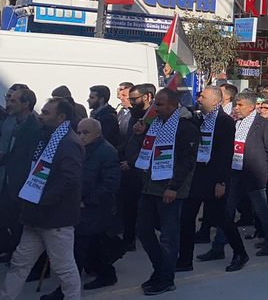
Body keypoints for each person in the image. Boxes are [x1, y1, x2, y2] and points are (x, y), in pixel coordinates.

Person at [0, 98, 83, 300]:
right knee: (20, 262)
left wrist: (43, 200)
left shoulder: (69, 143)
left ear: (61, 117)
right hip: (35, 216)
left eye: (46, 112)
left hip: (56, 219)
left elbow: (69, 180)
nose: (40, 115)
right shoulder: (47, 138)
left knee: (64, 268)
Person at [42, 118, 121, 299]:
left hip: (94, 208)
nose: (81, 136)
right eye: (79, 132)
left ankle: (66, 290)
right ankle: (106, 273)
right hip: (77, 205)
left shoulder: (107, 152)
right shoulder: (79, 149)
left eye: (86, 132)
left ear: (97, 133)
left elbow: (110, 184)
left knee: (78, 248)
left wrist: (89, 201)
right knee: (90, 247)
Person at [134, 89, 199, 295]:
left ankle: (166, 278)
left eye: (160, 105)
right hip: (150, 185)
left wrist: (173, 187)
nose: (155, 108)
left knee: (168, 237)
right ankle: (159, 269)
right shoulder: (157, 125)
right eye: (155, 104)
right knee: (143, 229)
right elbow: (147, 151)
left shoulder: (186, 128)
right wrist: (140, 134)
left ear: (172, 106)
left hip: (169, 189)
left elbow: (187, 161)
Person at [200, 93, 268, 262]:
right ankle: (218, 246)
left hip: (253, 175)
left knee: (261, 210)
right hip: (234, 173)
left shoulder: (264, 125)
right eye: (236, 105)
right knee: (226, 212)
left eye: (240, 105)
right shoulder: (235, 123)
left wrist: (267, 172)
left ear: (251, 107)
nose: (236, 108)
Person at [177, 88, 246, 274]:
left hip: (215, 177)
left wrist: (221, 181)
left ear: (215, 101)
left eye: (203, 97)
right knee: (187, 218)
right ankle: (184, 259)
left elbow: (225, 153)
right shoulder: (201, 119)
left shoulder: (224, 121)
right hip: (198, 175)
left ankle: (240, 253)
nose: (199, 99)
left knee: (221, 218)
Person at [0, 88, 41, 257]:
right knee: (6, 218)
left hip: (22, 183)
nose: (8, 104)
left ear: (26, 104)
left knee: (20, 223)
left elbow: (31, 158)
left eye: (13, 101)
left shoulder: (35, 127)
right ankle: (10, 249)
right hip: (7, 180)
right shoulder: (11, 121)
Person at [118, 84, 154, 252]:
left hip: (142, 170)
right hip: (129, 167)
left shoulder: (153, 116)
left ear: (146, 97)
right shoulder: (133, 115)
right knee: (128, 206)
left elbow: (150, 144)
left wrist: (132, 162)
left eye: (134, 99)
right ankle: (129, 238)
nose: (131, 102)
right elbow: (130, 139)